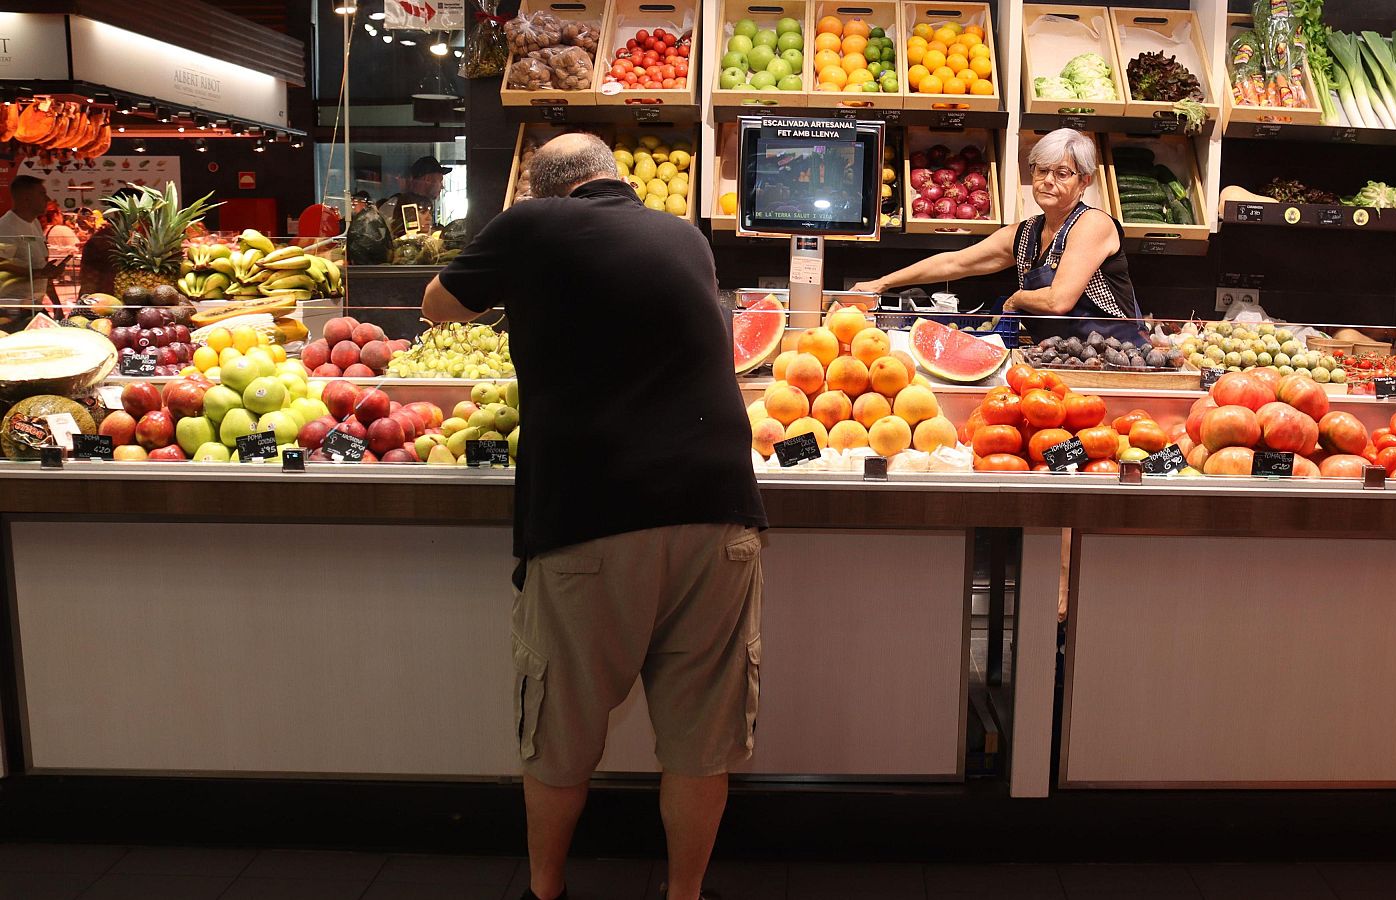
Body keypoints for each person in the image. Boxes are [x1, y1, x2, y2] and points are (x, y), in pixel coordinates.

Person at [420, 132, 767, 900]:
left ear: (544, 191)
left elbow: (437, 307)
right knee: (699, 745)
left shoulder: (529, 224)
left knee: (562, 738)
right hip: (721, 516)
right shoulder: (686, 235)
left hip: (593, 515)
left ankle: (545, 891)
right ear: (615, 178)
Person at [852, 128, 1145, 344]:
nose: (1048, 181)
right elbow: (955, 263)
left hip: (1114, 363)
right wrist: (880, 284)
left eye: (1062, 173)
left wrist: (1017, 298)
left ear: (1084, 181)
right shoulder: (1026, 232)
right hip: (1057, 362)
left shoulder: (1093, 223)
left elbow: (1058, 301)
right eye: (1041, 171)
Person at [0, 175, 66, 315]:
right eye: (42, 194)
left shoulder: (34, 223)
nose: (47, 199)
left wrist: (56, 305)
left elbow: (42, 268)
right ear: (26, 199)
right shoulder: (6, 227)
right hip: (11, 310)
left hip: (33, 306)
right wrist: (38, 273)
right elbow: (1, 264)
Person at [379, 155, 451, 235]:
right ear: (427, 180)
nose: (442, 186)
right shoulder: (395, 204)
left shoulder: (427, 205)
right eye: (440, 181)